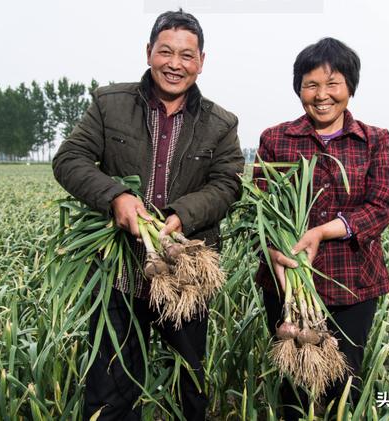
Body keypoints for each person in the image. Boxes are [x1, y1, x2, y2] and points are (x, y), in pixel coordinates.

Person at [52, 9, 244, 420]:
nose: (175, 64)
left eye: (187, 55)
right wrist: (117, 197)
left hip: (184, 274)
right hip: (117, 274)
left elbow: (228, 183)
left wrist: (181, 215)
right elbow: (70, 159)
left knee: (188, 385)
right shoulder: (109, 104)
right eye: (166, 52)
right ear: (148, 52)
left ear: (201, 62)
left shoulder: (221, 123)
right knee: (111, 387)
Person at [254, 37, 389, 419]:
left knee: (343, 387)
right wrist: (274, 252)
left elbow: (382, 204)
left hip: (353, 284)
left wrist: (323, 232)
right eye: (310, 85)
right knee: (292, 388)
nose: (322, 95)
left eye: (332, 84)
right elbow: (258, 210)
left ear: (350, 86)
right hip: (287, 286)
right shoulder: (276, 139)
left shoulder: (373, 140)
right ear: (298, 88)